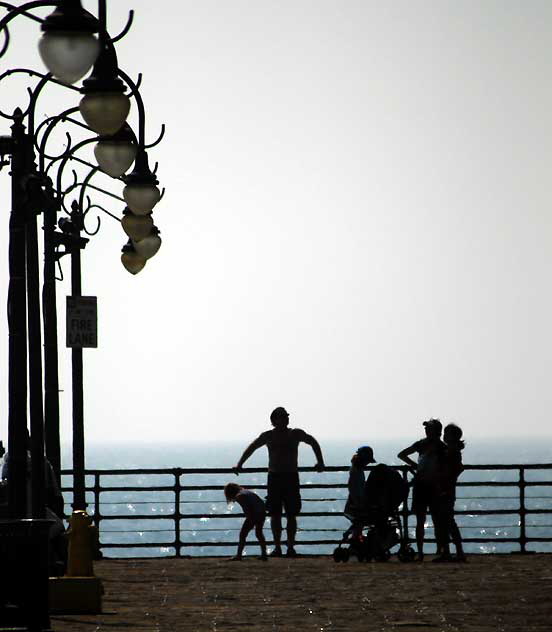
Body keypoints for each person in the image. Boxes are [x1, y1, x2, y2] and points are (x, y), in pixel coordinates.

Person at [233, 406, 325, 557]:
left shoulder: (295, 433)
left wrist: (320, 462)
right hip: (275, 478)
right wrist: (240, 464)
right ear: (274, 420)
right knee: (275, 514)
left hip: (290, 477)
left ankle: (290, 547)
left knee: (291, 514)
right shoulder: (268, 436)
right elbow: (252, 447)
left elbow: (312, 442)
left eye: (286, 416)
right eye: (282, 416)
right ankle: (277, 547)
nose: (286, 419)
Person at [397, 418, 446, 561]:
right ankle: (437, 550)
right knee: (435, 520)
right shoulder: (441, 447)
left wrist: (415, 467)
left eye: (428, 428)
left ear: (435, 431)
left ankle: (422, 552)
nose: (426, 430)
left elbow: (402, 455)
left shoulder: (424, 445)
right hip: (431, 486)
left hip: (423, 485)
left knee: (424, 520)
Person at [431, 423, 466, 562]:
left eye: (446, 433)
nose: (444, 436)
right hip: (446, 488)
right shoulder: (451, 451)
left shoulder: (451, 452)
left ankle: (453, 552)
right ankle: (454, 551)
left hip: (445, 489)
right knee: (446, 521)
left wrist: (445, 481)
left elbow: (454, 469)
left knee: (446, 521)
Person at [224, 482, 267, 561]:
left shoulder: (240, 496)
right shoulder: (246, 492)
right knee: (259, 533)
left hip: (254, 514)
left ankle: (239, 555)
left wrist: (249, 518)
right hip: (261, 512)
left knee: (243, 534)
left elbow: (247, 508)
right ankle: (264, 554)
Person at [344, 446, 376, 539]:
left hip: (356, 501)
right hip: (356, 502)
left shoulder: (357, 469)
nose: (367, 463)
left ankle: (355, 543)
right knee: (359, 522)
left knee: (359, 524)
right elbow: (352, 486)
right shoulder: (356, 471)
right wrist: (358, 502)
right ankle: (349, 536)